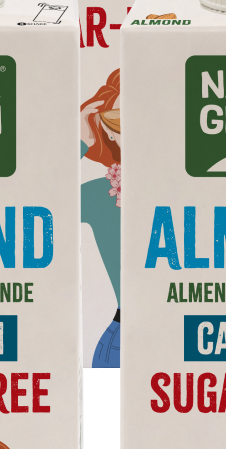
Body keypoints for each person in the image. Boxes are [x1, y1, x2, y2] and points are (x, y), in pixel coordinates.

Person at [80, 69, 121, 367]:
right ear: (108, 130)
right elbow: (39, 205)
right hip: (122, 343)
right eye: (120, 119)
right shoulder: (100, 195)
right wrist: (82, 140)